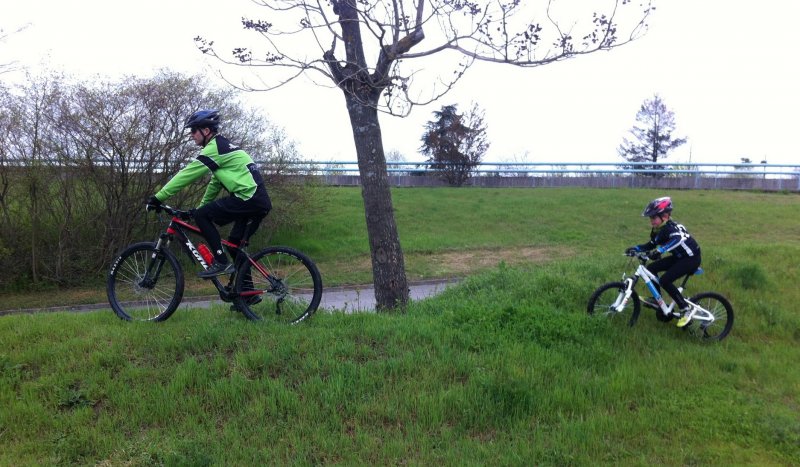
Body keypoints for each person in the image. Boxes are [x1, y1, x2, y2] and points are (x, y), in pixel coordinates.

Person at [146, 109, 272, 279]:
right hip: (256, 201)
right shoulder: (223, 147)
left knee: (202, 216)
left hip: (249, 198)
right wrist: (201, 207)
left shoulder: (215, 148)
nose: (191, 135)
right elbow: (215, 183)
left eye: (193, 130)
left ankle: (220, 262)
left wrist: (158, 197)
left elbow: (187, 174)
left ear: (205, 131)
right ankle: (247, 297)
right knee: (234, 245)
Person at [625, 196, 701, 328]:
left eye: (654, 218)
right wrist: (636, 248)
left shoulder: (671, 228)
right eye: (650, 218)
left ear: (665, 216)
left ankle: (685, 309)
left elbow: (677, 239)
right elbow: (651, 244)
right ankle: (657, 299)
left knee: (665, 280)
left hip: (691, 258)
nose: (651, 221)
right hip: (679, 257)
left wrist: (660, 250)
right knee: (650, 268)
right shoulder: (658, 230)